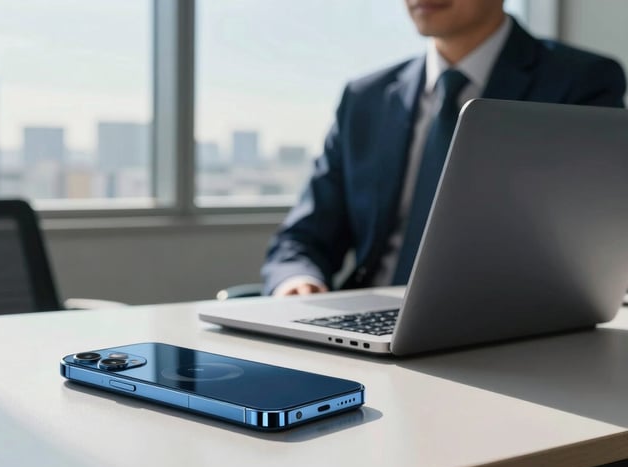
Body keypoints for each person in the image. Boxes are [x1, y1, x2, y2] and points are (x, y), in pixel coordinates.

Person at [262, 0, 626, 297]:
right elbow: (303, 238)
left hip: (500, 330)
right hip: (366, 322)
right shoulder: (365, 97)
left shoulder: (579, 82)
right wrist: (296, 282)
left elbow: (591, 240)